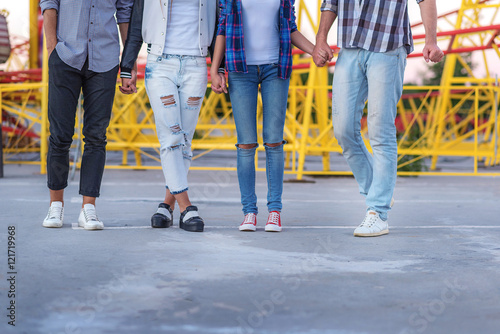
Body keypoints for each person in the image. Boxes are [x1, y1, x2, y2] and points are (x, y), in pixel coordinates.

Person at [313, 0, 444, 237]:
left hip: (388, 47)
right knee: (343, 130)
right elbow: (330, 3)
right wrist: (321, 39)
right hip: (349, 47)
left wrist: (431, 40)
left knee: (380, 131)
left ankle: (378, 212)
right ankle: (379, 189)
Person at [119, 0, 223, 232]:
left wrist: (220, 67)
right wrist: (128, 66)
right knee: (171, 137)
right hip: (160, 65)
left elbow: (219, 26)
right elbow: (137, 23)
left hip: (196, 65)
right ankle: (187, 207)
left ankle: (166, 205)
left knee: (184, 139)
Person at [211, 0, 314, 232]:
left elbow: (292, 28)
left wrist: (314, 49)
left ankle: (274, 212)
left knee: (274, 140)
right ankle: (249, 212)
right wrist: (215, 69)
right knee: (246, 143)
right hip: (240, 70)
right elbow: (222, 28)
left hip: (275, 68)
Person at [40, 0, 133, 230]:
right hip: (66, 55)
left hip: (105, 58)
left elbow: (124, 12)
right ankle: (56, 205)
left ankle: (88, 208)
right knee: (60, 134)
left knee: (96, 136)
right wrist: (52, 48)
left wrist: (129, 64)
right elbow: (49, 3)